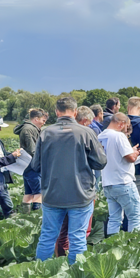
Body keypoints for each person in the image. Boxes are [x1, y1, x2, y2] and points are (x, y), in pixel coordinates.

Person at [30, 96, 107, 264]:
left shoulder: (46, 133)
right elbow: (101, 162)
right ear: (76, 111)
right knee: (77, 238)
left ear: (57, 112)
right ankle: (75, 276)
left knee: (48, 236)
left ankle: (40, 274)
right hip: (80, 194)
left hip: (52, 194)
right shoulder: (86, 132)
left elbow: (35, 165)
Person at [55, 106, 98, 259]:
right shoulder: (85, 134)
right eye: (89, 122)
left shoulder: (56, 133)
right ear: (84, 120)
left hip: (59, 187)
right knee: (80, 228)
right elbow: (99, 162)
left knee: (62, 227)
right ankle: (75, 261)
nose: (90, 125)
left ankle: (61, 257)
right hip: (80, 187)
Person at [100, 113, 140, 237]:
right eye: (126, 126)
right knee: (135, 216)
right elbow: (129, 158)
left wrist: (131, 152)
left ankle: (111, 245)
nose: (126, 130)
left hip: (107, 182)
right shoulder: (119, 136)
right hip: (123, 181)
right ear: (121, 124)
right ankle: (133, 245)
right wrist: (135, 153)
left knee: (114, 218)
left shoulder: (101, 136)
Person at [13, 108, 47, 212]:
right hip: (32, 165)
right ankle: (35, 215)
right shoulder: (29, 129)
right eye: (43, 120)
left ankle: (25, 215)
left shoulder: (27, 128)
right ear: (36, 119)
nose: (43, 123)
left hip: (26, 166)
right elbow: (32, 150)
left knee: (29, 193)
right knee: (38, 193)